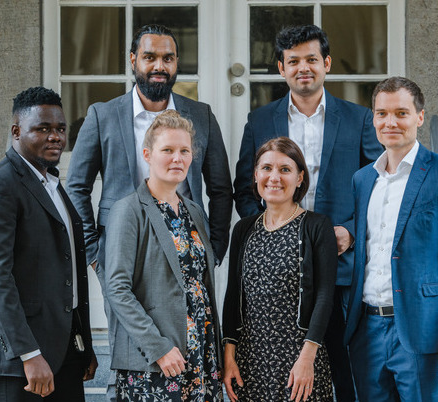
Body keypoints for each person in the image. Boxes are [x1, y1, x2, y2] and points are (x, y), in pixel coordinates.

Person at [66, 24, 232, 400]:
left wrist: (214, 246)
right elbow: (77, 186)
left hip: (185, 240)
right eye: (150, 57)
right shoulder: (103, 115)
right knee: (132, 340)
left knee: (194, 337)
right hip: (127, 248)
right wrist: (94, 252)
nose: (159, 65)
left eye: (168, 58)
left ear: (176, 64)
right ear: (133, 60)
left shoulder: (200, 116)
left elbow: (220, 187)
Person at [233, 24, 383, 401]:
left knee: (347, 375)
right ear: (281, 68)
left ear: (326, 63)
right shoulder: (260, 120)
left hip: (341, 266)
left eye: (311, 59)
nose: (303, 68)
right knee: (281, 379)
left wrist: (349, 230)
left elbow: (376, 190)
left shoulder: (359, 119)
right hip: (280, 280)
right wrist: (271, 238)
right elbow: (245, 188)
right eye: (293, 61)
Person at [344, 76, 438, 401]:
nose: (390, 122)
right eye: (382, 114)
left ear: (419, 116)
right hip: (367, 332)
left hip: (422, 331)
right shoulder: (362, 179)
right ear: (373, 118)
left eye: (401, 113)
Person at [0, 87, 97, 402]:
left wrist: (84, 343)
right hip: (21, 359)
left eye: (60, 129)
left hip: (65, 351)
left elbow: (68, 269)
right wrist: (28, 353)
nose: (55, 137)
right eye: (43, 129)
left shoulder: (52, 184)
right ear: (16, 131)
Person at [104, 110, 222, 401]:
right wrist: (158, 347)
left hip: (200, 356)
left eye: (184, 151)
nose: (177, 158)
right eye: (167, 150)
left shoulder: (193, 210)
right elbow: (117, 289)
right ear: (147, 154)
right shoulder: (128, 210)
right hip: (155, 363)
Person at [224, 137, 338, 402]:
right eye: (266, 168)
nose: (274, 177)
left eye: (285, 169)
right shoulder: (243, 229)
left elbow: (324, 297)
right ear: (255, 175)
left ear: (299, 178)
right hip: (250, 361)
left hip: (299, 362)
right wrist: (229, 356)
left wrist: (307, 359)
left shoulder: (316, 226)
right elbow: (232, 296)